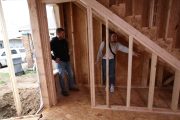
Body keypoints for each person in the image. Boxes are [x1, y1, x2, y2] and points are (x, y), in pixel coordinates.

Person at [50, 28, 79, 96]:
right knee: (62, 75)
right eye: (62, 33)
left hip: (67, 61)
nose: (64, 35)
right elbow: (47, 51)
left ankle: (71, 86)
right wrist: (54, 58)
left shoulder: (65, 41)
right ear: (58, 33)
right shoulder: (53, 41)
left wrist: (69, 52)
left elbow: (66, 50)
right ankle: (64, 91)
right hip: (60, 62)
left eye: (64, 33)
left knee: (71, 74)